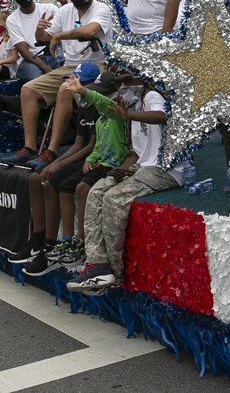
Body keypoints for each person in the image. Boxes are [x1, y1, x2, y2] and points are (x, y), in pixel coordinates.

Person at [67, 74, 172, 293]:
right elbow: (137, 151)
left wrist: (129, 114)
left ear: (142, 80)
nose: (123, 87)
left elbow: (162, 116)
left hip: (165, 169)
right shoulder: (130, 108)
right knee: (96, 192)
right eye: (120, 84)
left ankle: (113, 272)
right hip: (142, 166)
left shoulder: (152, 96)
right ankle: (97, 263)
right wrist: (122, 171)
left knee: (113, 199)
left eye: (128, 81)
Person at [2, 0, 112, 167]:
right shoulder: (65, 10)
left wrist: (59, 36)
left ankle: (51, 151)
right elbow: (44, 38)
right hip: (69, 66)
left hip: (96, 64)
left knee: (65, 88)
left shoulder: (101, 8)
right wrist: (39, 29)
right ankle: (29, 148)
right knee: (28, 89)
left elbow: (89, 31)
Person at [8, 63, 107, 276]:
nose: (71, 84)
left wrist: (59, 164)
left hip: (96, 158)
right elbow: (79, 143)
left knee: (55, 182)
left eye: (76, 80)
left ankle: (56, 245)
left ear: (89, 83)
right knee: (36, 178)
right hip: (84, 154)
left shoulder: (99, 104)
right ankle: (38, 240)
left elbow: (91, 145)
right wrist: (55, 161)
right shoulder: (84, 104)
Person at [5, 0, 59, 83]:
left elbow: (67, 26)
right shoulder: (12, 19)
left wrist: (64, 2)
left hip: (53, 55)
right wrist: (46, 68)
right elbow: (23, 50)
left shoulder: (50, 8)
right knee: (39, 82)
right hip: (29, 61)